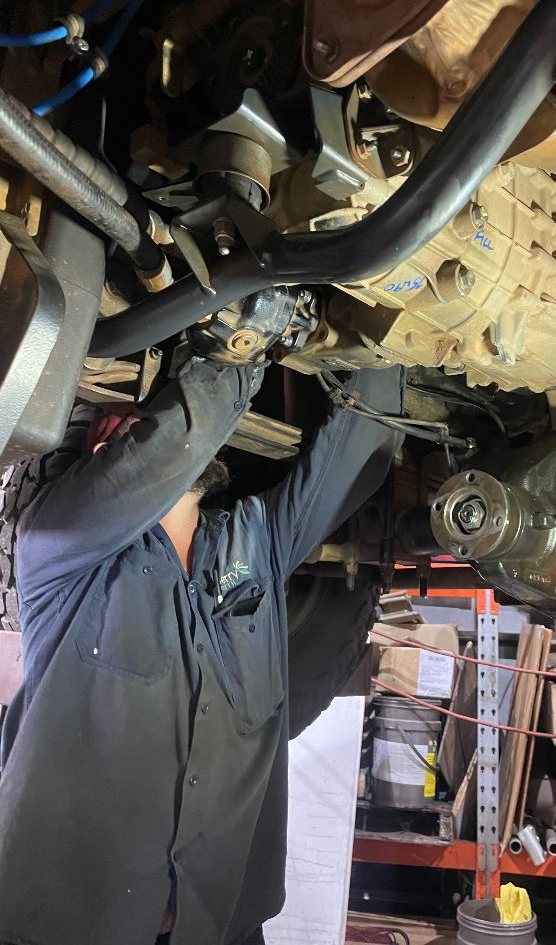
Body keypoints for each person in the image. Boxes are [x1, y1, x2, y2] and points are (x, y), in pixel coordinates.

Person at [0, 355, 402, 945]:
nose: (154, 441)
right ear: (99, 460)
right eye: (130, 430)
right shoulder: (59, 555)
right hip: (215, 923)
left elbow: (341, 459)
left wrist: (368, 341)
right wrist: (263, 348)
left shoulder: (240, 543)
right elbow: (171, 449)